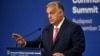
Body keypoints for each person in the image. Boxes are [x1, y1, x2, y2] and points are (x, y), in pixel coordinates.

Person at [12, 1, 85, 56]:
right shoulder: (46, 30)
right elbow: (38, 44)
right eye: (48, 13)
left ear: (61, 13)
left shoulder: (74, 28)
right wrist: (24, 43)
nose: (49, 16)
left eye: (52, 13)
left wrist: (64, 55)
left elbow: (79, 47)